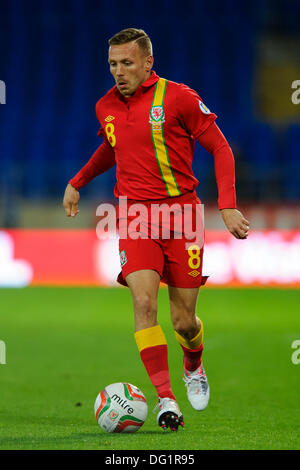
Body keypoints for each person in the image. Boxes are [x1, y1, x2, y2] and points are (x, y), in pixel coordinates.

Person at [63, 28, 250, 432]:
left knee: (184, 321)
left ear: (148, 63)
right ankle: (166, 399)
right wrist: (77, 181)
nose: (118, 71)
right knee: (144, 306)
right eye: (112, 64)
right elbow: (114, 147)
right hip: (133, 217)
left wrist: (229, 205)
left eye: (126, 63)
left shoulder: (179, 97)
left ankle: (193, 362)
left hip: (181, 216)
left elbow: (220, 147)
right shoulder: (106, 106)